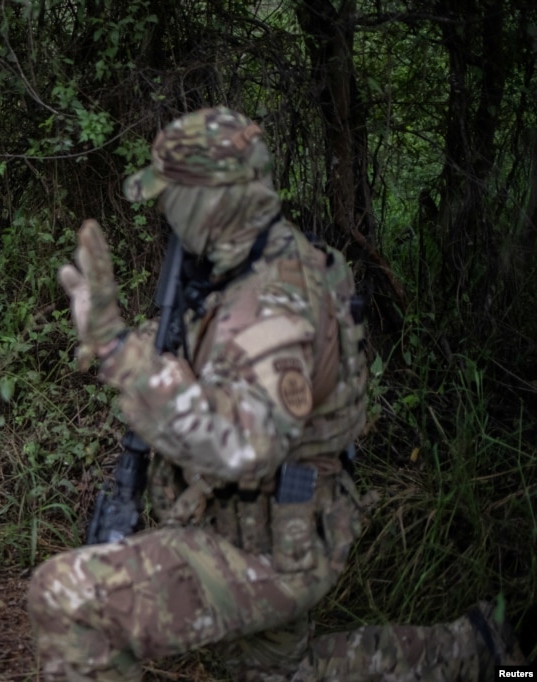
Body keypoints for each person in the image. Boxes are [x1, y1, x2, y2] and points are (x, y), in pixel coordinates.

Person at [28, 107, 524, 681]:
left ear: (208, 202)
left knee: (69, 599)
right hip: (267, 518)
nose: (164, 210)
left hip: (269, 544)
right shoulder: (257, 259)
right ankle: (484, 654)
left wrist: (118, 352)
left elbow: (243, 445)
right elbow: (224, 375)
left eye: (172, 196)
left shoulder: (273, 302)